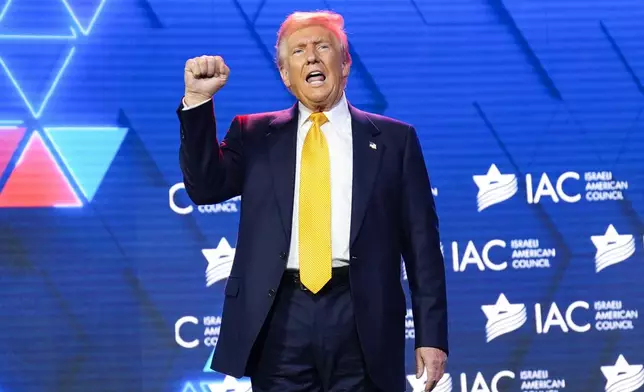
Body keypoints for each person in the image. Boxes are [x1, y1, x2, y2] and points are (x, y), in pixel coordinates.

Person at [177, 10, 448, 392]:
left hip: (363, 316)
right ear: (286, 75)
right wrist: (198, 102)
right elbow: (204, 188)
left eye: (323, 47)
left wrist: (431, 335)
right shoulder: (253, 134)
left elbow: (423, 248)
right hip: (279, 318)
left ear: (346, 63)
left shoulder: (394, 141)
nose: (312, 58)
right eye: (299, 51)